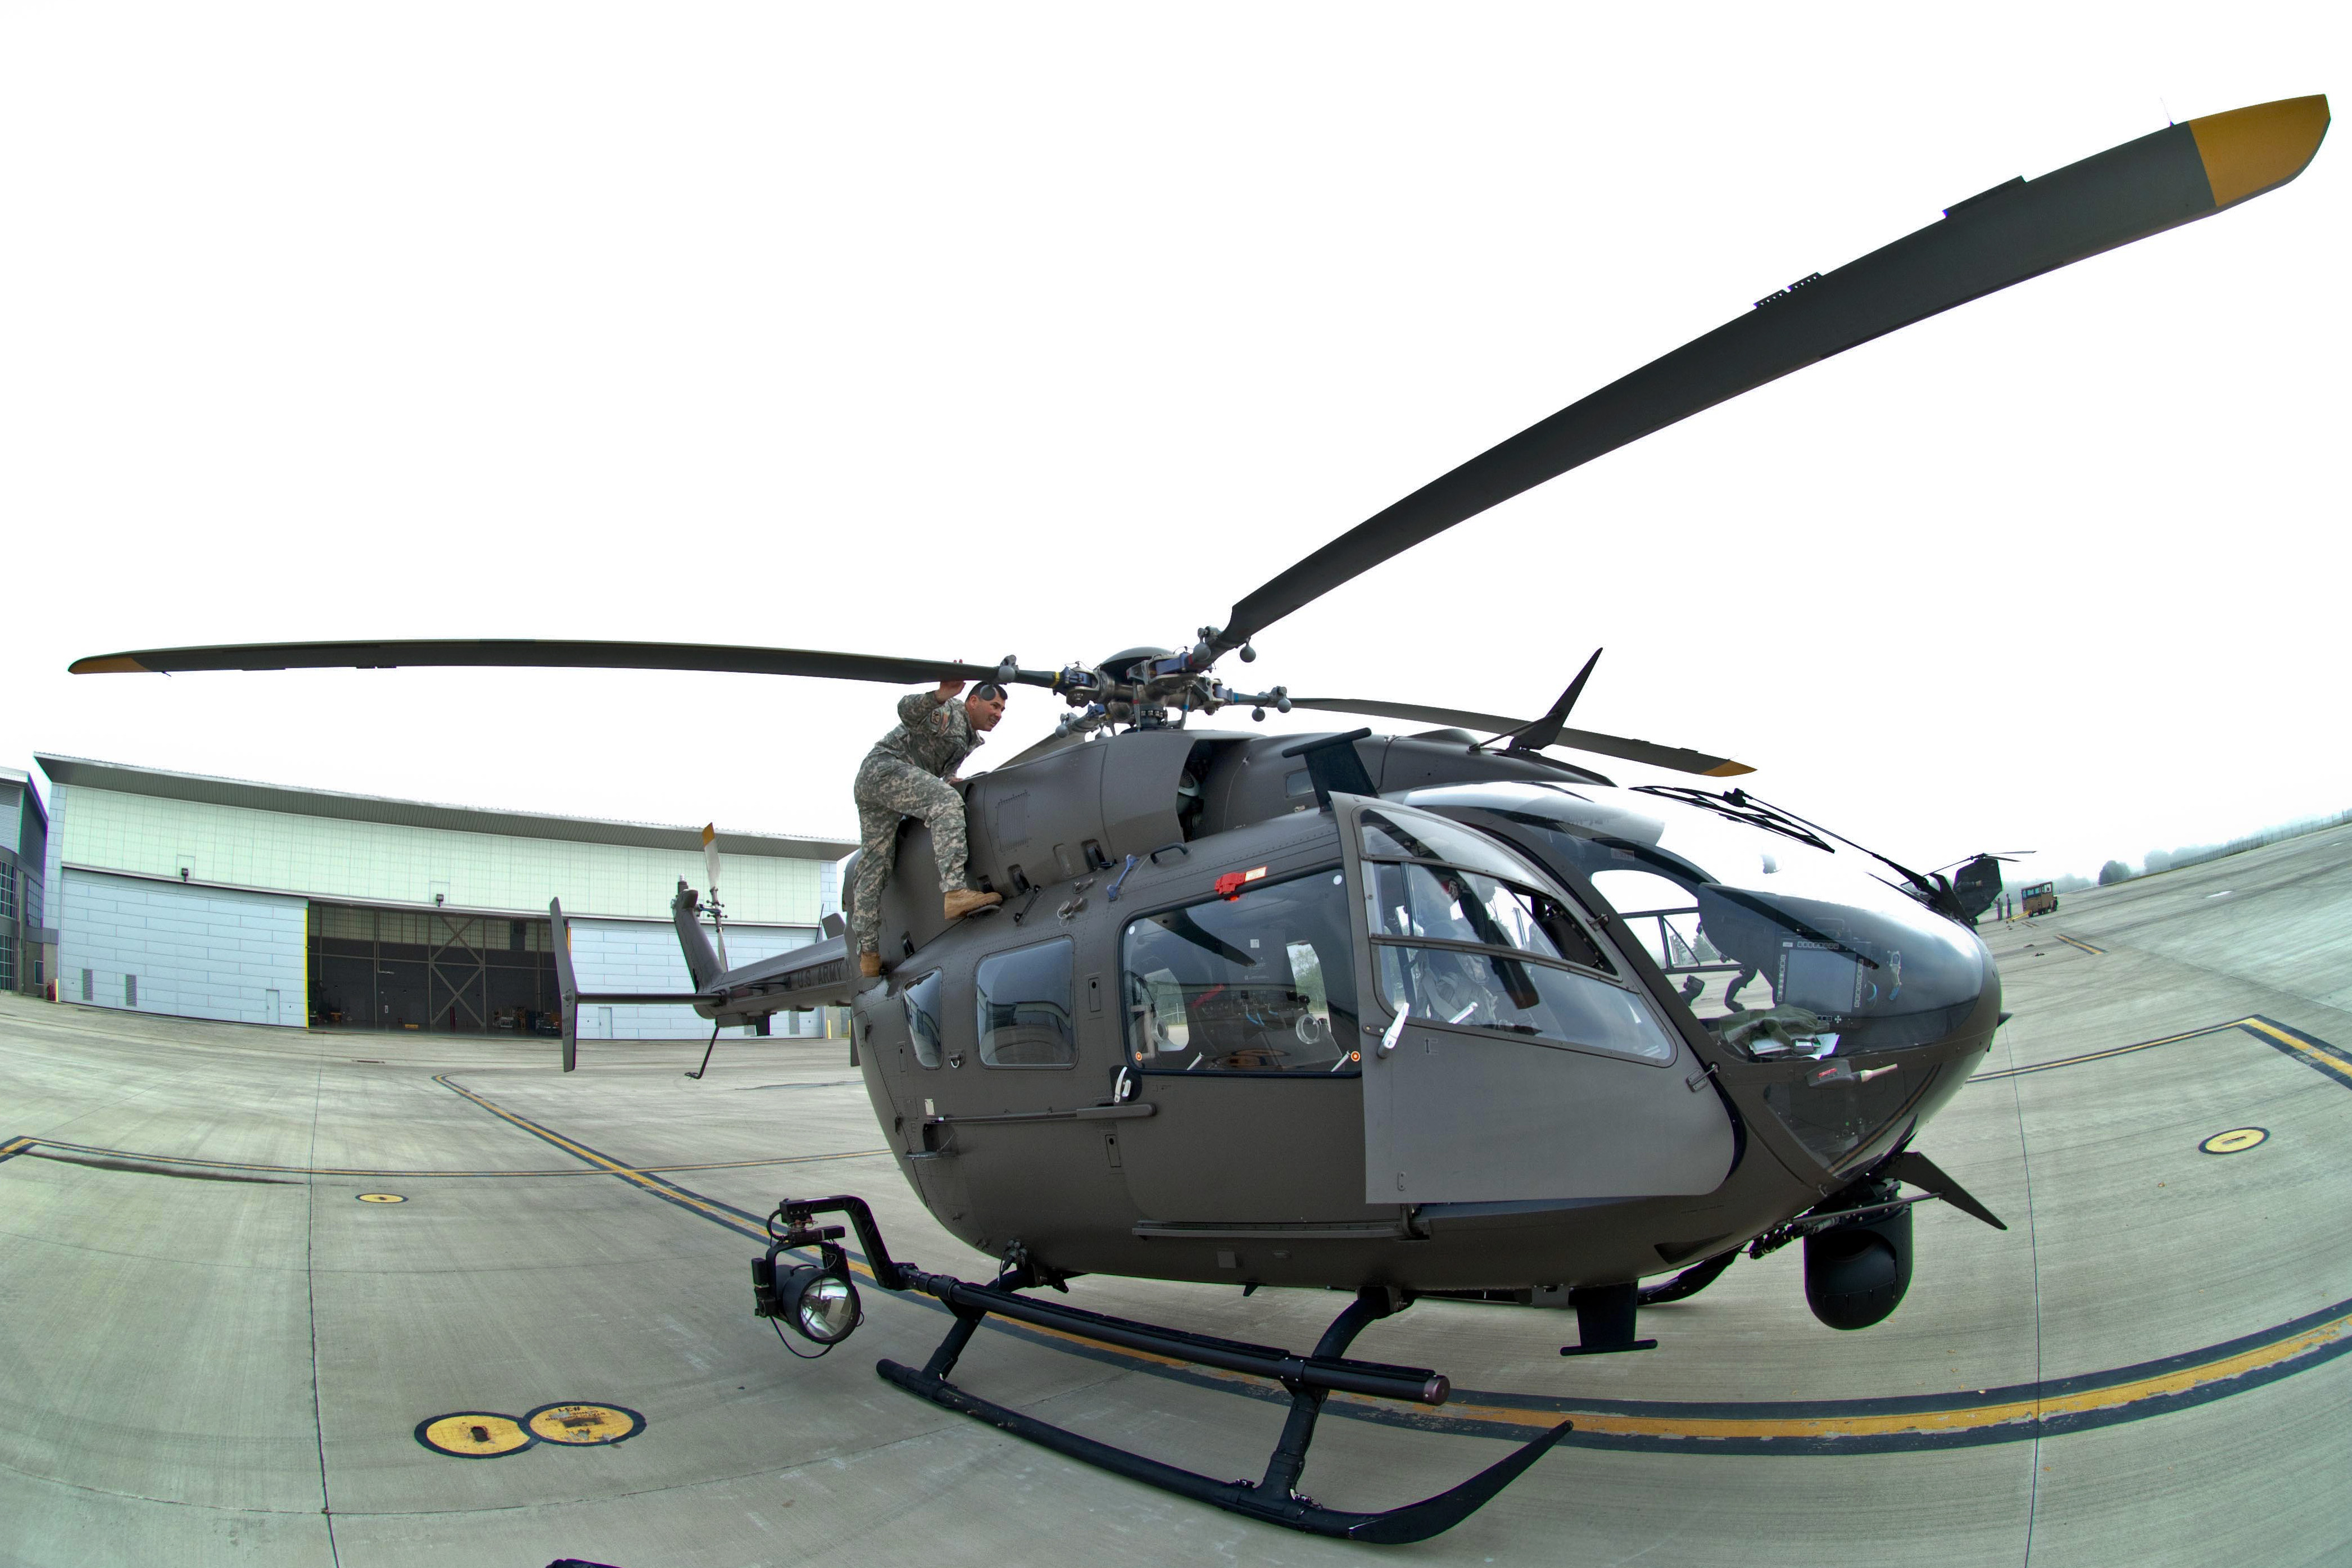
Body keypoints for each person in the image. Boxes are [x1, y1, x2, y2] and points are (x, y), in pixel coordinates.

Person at [850, 678, 1007, 977]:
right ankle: (955, 892)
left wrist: (949, 776)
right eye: (994, 705)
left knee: (875, 866)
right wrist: (938, 696)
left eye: (1002, 709)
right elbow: (906, 711)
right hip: (886, 769)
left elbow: (935, 759)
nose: (999, 714)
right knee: (947, 804)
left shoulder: (968, 737)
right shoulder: (948, 712)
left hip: (874, 780)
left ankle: (869, 954)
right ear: (973, 701)